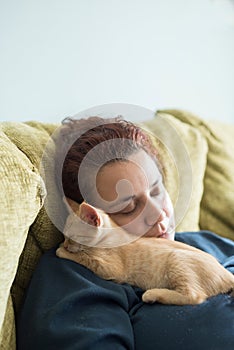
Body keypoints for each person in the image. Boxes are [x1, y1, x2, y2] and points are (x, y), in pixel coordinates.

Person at [17, 116, 234, 350]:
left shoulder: (208, 242)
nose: (158, 215)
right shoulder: (76, 274)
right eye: (128, 208)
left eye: (157, 190)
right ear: (89, 218)